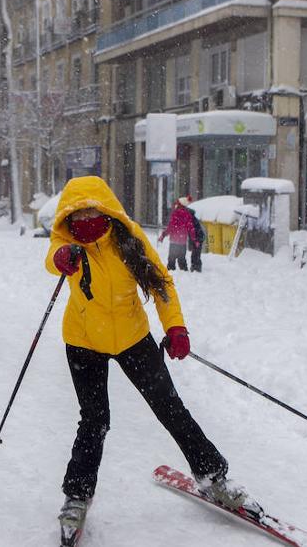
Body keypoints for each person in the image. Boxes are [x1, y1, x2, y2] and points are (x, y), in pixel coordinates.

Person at [46, 176, 250, 541]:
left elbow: (162, 284)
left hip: (132, 337)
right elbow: (52, 258)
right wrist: (62, 257)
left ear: (106, 209)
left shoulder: (129, 239)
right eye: (77, 214)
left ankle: (212, 477)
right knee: (95, 420)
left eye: (92, 211)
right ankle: (76, 497)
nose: (85, 219)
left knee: (171, 408)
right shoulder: (69, 243)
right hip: (83, 341)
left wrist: (176, 328)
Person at [156, 196, 196, 271]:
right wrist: (194, 239)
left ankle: (171, 274)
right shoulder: (187, 214)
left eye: (177, 203)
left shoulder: (176, 213)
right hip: (182, 242)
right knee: (182, 260)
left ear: (179, 204)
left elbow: (170, 227)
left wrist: (163, 235)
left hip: (174, 241)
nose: (175, 205)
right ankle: (185, 275)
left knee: (171, 260)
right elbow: (191, 228)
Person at [187, 205, 205, 273]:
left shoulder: (193, 220)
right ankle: (194, 265)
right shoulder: (190, 219)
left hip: (198, 238)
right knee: (194, 253)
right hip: (195, 238)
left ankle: (197, 267)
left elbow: (197, 231)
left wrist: (197, 241)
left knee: (196, 253)